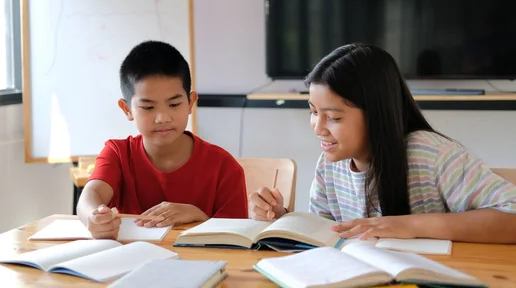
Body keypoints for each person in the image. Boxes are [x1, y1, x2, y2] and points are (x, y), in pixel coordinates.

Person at [249, 43, 516, 243]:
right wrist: (282, 218)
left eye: (333, 117)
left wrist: (411, 226)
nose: (318, 128)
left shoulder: (432, 155)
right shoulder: (329, 166)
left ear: (376, 114)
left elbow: (511, 216)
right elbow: (325, 237)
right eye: (313, 112)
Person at [78, 40, 248, 239]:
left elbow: (238, 241)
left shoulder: (224, 167)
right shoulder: (117, 153)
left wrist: (199, 217)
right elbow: (91, 195)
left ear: (190, 103)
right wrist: (94, 216)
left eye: (174, 104)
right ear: (127, 110)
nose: (163, 118)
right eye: (148, 107)